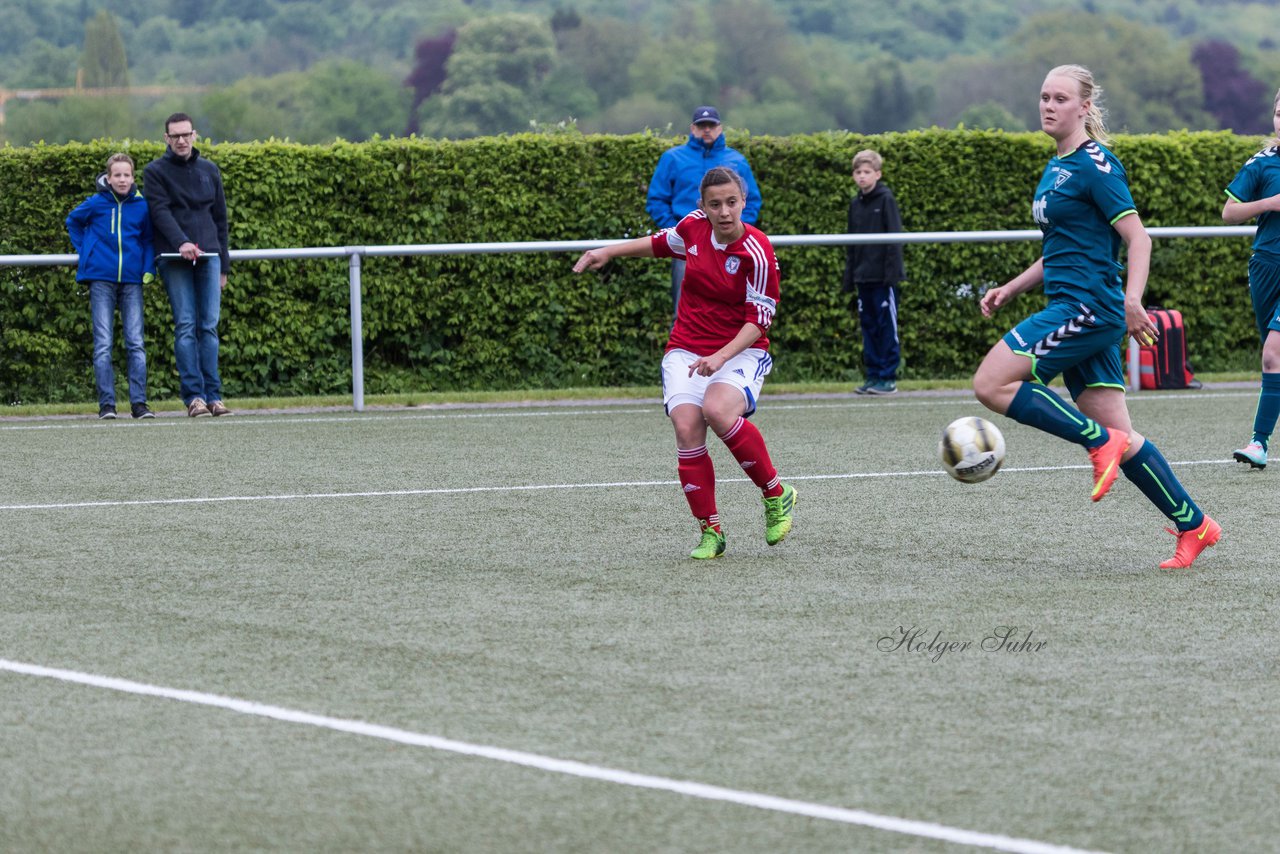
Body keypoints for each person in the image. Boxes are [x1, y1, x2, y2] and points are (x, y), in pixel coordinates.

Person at [973, 64, 1220, 569]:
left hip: (1088, 309)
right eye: (1043, 96)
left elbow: (1139, 237)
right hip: (1074, 306)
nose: (1048, 105)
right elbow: (1059, 248)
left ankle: (1094, 442)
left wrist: (1134, 300)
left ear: (1084, 107)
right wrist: (1012, 287)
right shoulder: (1055, 166)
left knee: (992, 383)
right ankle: (1195, 525)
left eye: (1060, 98)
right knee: (1125, 440)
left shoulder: (1096, 164)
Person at [577, 166, 794, 560]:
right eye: (715, 204)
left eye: (732, 202)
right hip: (686, 347)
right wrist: (607, 251)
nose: (725, 211)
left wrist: (721, 357)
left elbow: (758, 321)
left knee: (717, 409)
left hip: (741, 350)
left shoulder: (757, 251)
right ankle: (711, 532)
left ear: (744, 201)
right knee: (687, 426)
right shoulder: (693, 227)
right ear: (703, 207)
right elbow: (659, 244)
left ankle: (776, 493)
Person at [143, 112, 232, 418]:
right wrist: (182, 242)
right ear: (166, 139)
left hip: (209, 259)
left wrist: (224, 267)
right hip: (173, 257)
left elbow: (220, 219)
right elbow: (160, 211)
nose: (181, 140)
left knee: (208, 326)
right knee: (185, 326)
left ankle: (214, 396)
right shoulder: (154, 171)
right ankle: (193, 397)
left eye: (186, 134)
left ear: (195, 135)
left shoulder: (210, 169)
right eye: (175, 136)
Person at [646, 106, 762, 316]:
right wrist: (679, 232)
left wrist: (736, 231)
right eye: (701, 125)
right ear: (693, 128)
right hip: (689, 246)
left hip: (730, 245)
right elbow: (656, 200)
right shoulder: (672, 158)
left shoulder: (736, 160)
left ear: (720, 128)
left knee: (733, 309)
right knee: (683, 310)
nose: (706, 129)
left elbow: (751, 200)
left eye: (711, 125)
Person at [66, 153, 157, 420]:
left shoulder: (142, 206)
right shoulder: (95, 203)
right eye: (117, 175)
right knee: (103, 344)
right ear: (108, 177)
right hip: (101, 280)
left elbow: (149, 240)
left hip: (131, 281)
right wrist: (86, 251)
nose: (122, 179)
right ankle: (107, 405)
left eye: (126, 175)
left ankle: (139, 404)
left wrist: (148, 268)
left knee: (136, 343)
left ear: (132, 177)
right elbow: (72, 221)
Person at [1221, 87, 1280, 471]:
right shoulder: (1262, 163)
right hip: (1266, 267)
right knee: (1275, 358)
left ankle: (1258, 443)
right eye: (1278, 112)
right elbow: (1229, 212)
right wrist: (1271, 203)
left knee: (1273, 354)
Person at [843, 149, 906, 395]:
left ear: (877, 174)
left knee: (885, 327)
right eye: (858, 172)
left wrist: (891, 275)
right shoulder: (855, 204)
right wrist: (850, 277)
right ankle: (873, 375)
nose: (862, 176)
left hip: (883, 279)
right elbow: (851, 244)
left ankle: (887, 378)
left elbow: (894, 239)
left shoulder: (886, 199)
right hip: (863, 278)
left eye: (867, 172)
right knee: (868, 327)